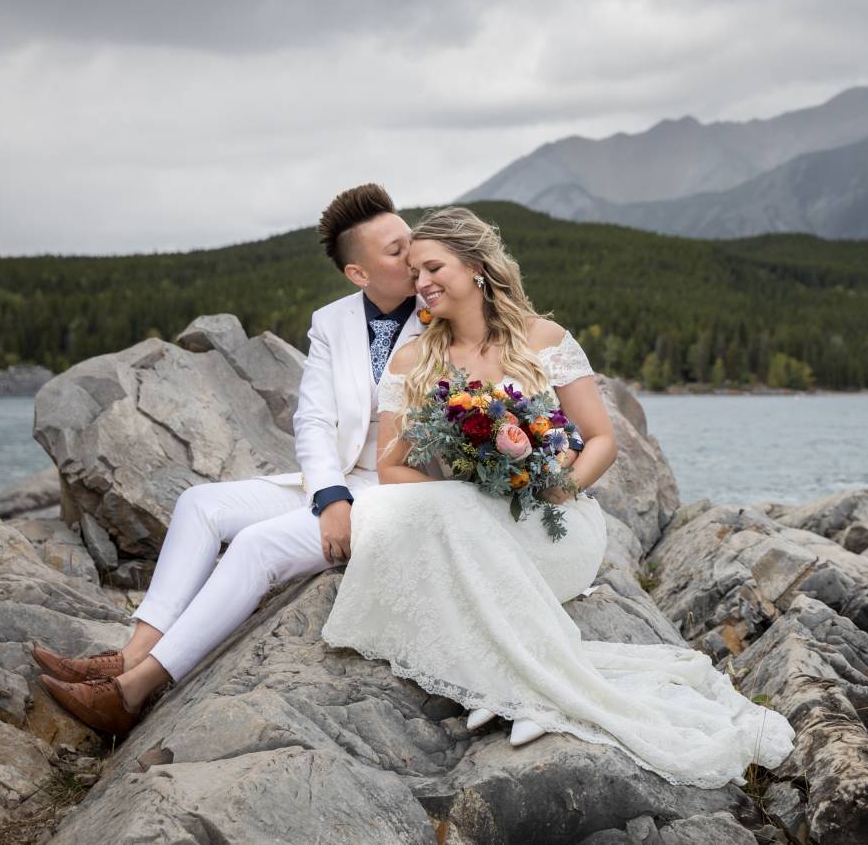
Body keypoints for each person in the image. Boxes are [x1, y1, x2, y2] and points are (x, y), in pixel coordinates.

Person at [319, 205, 795, 788]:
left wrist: (554, 484)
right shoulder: (415, 358)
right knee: (384, 506)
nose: (420, 284)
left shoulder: (545, 340)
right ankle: (517, 689)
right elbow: (391, 469)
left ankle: (517, 691)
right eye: (414, 272)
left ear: (474, 266)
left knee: (443, 523)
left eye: (433, 267)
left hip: (553, 524)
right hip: (467, 519)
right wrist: (468, 494)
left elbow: (601, 441)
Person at [29, 183, 434, 735]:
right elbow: (313, 421)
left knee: (255, 545)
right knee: (199, 503)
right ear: (358, 274)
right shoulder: (333, 322)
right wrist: (330, 495)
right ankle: (132, 653)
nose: (413, 256)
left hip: (397, 489)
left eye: (410, 240)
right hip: (343, 479)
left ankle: (131, 692)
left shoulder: (443, 313)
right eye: (395, 251)